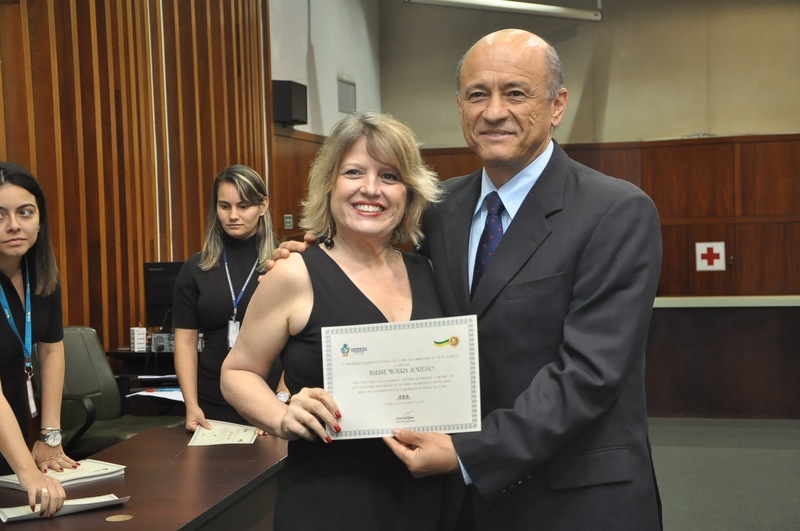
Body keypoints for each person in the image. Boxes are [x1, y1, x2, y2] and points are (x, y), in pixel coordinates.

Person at [381, 29, 664, 530]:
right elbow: (393, 291)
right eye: (477, 94)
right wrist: (312, 267)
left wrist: (468, 453)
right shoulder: (436, 210)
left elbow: (589, 373)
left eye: (515, 93)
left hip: (573, 499)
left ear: (557, 106)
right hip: (461, 504)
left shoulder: (616, 211)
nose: (494, 112)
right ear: (460, 106)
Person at [220, 111, 445, 531]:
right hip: (330, 503)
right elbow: (237, 372)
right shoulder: (293, 273)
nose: (371, 188)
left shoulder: (432, 273)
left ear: (409, 192)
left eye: (390, 176)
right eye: (354, 172)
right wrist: (281, 416)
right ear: (329, 184)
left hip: (430, 502)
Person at [172, 164, 282, 431]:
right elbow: (185, 342)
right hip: (210, 404)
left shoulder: (282, 263)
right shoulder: (196, 267)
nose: (233, 215)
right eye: (224, 206)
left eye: (243, 206)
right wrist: (191, 404)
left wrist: (281, 403)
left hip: (269, 399)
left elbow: (300, 342)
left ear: (263, 206)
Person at [0, 161, 73, 516]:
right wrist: (29, 473)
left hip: (11, 433)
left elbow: (52, 351)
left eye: (25, 212)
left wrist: (49, 436)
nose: (14, 225)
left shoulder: (41, 274)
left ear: (40, 219)